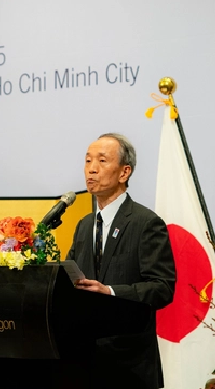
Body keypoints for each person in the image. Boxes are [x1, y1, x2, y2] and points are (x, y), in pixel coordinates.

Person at [66, 133, 176, 389]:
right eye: (88, 160)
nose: (91, 169)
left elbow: (162, 288)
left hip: (130, 366)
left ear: (124, 172)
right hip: (84, 363)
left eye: (102, 161)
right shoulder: (84, 225)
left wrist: (110, 292)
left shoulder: (146, 223)